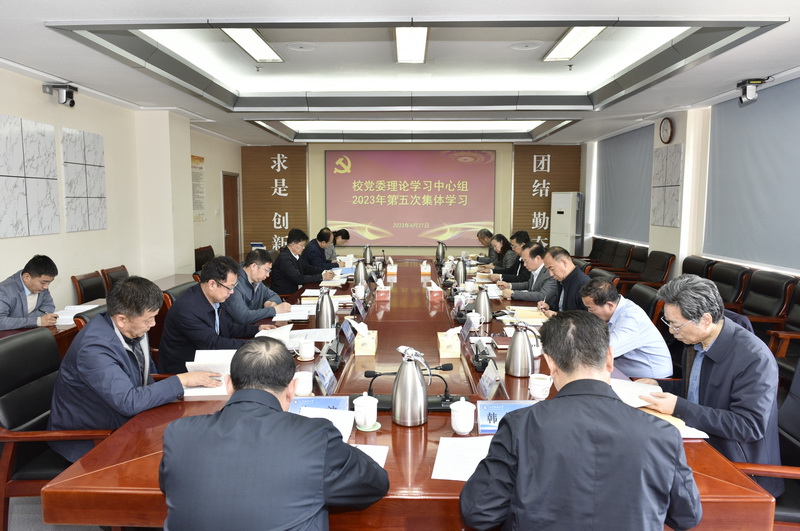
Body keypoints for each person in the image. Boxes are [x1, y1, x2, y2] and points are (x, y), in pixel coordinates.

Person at [460, 311, 702, 531]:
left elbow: (479, 512)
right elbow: (687, 517)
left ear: (550, 363)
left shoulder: (520, 425)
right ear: (609, 359)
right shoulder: (663, 433)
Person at [159, 336, 389, 530]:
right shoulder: (314, 437)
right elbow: (375, 482)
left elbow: (169, 485)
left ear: (228, 385)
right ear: (292, 389)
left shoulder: (178, 433)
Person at [638, 274, 784, 497]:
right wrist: (658, 385)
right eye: (668, 323)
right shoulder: (696, 341)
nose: (671, 331)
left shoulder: (754, 358)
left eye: (676, 324)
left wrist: (679, 407)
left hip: (743, 471)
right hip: (703, 441)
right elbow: (698, 389)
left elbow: (749, 426)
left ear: (705, 320)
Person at [48, 276, 221, 462]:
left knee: (194, 437)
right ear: (122, 319)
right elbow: (128, 402)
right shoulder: (94, 349)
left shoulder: (132, 329)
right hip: (92, 440)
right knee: (178, 459)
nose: (153, 324)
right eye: (149, 319)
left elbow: (146, 377)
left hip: (128, 422)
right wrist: (182, 380)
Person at [158, 256, 273, 374]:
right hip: (184, 373)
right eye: (230, 287)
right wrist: (256, 345)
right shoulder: (187, 309)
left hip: (208, 360)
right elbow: (213, 343)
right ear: (212, 284)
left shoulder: (213, 298)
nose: (232, 292)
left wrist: (257, 330)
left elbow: (227, 328)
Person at [579, 278, 672, 378]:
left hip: (649, 379)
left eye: (591, 309)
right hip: (623, 369)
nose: (589, 312)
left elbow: (602, 353)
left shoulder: (631, 319)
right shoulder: (616, 307)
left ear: (609, 305)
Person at [223, 249, 291, 325]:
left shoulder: (256, 280)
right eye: (266, 270)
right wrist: (274, 310)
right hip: (239, 330)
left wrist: (269, 303)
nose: (268, 275)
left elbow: (274, 295)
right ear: (253, 266)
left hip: (256, 326)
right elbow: (244, 317)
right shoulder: (233, 283)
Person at [0, 254, 59, 330]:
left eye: (49, 282)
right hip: (10, 335)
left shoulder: (42, 286)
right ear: (26, 277)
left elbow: (49, 306)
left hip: (31, 331)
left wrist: (26, 320)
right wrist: (37, 321)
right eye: (43, 282)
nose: (46, 287)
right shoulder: (4, 290)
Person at [271, 228, 335, 295]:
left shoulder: (296, 255)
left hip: (297, 290)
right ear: (293, 245)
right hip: (287, 295)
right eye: (302, 245)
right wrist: (321, 277)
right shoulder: (284, 259)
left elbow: (307, 268)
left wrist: (324, 271)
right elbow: (298, 279)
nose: (303, 248)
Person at [498, 243, 558, 307]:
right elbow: (529, 284)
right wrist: (509, 285)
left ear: (537, 258)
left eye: (526, 261)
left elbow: (542, 296)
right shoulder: (535, 269)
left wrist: (513, 294)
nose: (524, 265)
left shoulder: (550, 273)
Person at [538, 246, 590, 316]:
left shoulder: (584, 284)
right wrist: (549, 307)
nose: (551, 274)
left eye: (552, 269)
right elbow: (561, 307)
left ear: (564, 262)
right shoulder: (562, 278)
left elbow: (586, 318)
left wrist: (557, 315)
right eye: (548, 270)